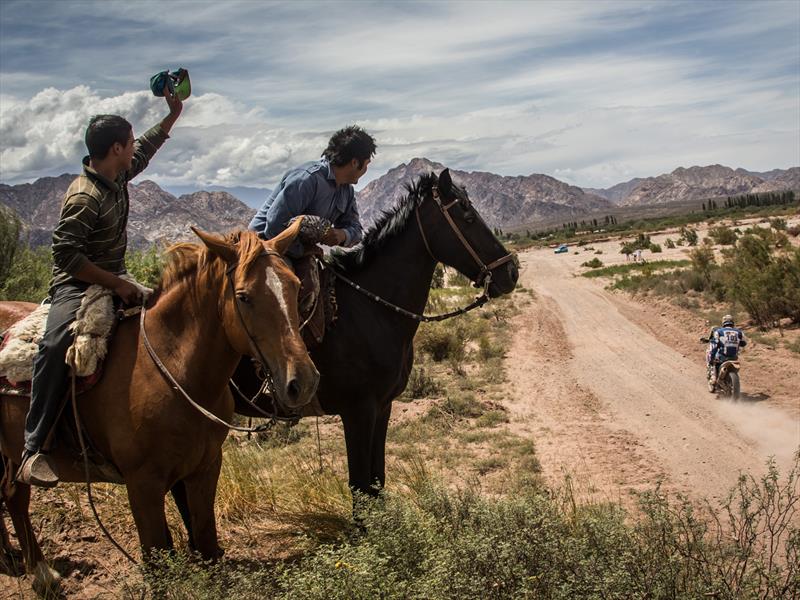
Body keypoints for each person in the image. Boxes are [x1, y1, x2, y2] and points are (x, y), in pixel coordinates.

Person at [18, 86, 184, 487]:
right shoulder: (83, 197)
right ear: (114, 149)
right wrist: (116, 284)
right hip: (75, 286)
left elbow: (147, 144)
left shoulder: (118, 172)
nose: (133, 148)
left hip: (115, 277)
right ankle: (34, 447)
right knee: (55, 343)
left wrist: (173, 113)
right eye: (128, 143)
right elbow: (67, 258)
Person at [248, 125, 377, 260]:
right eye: (366, 164)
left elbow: (356, 230)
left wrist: (342, 235)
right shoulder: (306, 179)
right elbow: (275, 226)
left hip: (296, 251)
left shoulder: (347, 191)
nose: (366, 170)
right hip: (263, 245)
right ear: (355, 163)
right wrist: (304, 252)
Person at [706, 314, 747, 388]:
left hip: (723, 357)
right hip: (734, 357)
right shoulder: (739, 332)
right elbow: (744, 343)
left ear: (723, 322)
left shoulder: (719, 331)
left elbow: (715, 346)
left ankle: (714, 379)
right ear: (732, 322)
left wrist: (711, 358)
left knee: (713, 361)